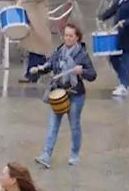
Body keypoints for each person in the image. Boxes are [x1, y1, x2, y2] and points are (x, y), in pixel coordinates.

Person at [32, 24, 97, 169]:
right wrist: (40, 69)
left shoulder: (82, 55)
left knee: (74, 125)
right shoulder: (59, 51)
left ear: (77, 38)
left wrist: (83, 72)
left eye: (70, 36)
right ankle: (46, 154)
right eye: (66, 35)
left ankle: (74, 154)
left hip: (75, 94)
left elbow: (92, 75)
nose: (67, 38)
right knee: (52, 125)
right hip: (58, 93)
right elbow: (51, 64)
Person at [19, 0, 55, 81]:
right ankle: (33, 72)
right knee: (32, 44)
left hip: (38, 14)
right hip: (30, 12)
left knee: (39, 44)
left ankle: (34, 73)